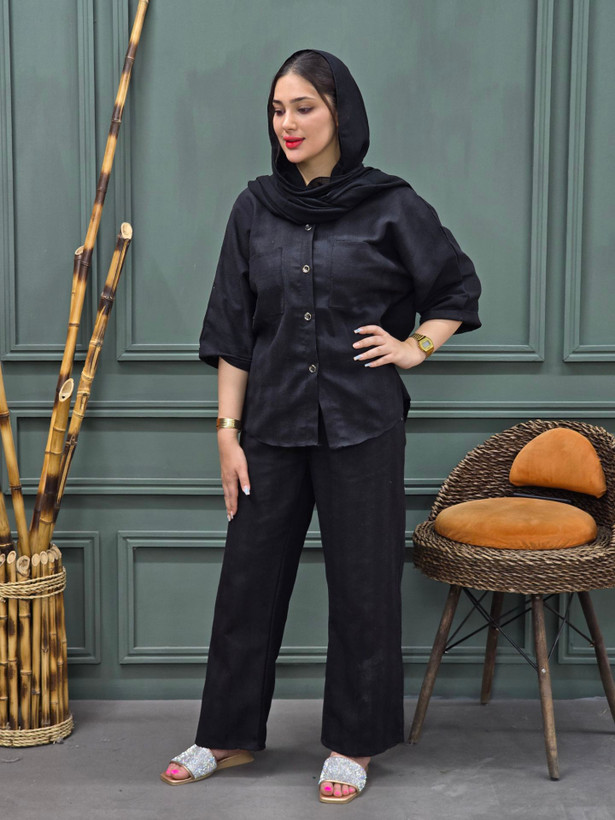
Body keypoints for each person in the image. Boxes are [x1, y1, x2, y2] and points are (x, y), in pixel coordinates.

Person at [161, 49, 481, 804]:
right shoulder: (253, 208)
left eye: (304, 106)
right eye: (277, 109)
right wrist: (226, 432)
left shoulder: (391, 205)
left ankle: (353, 743)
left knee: (364, 586)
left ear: (340, 112)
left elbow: (455, 288)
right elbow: (233, 328)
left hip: (362, 423)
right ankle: (226, 735)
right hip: (269, 426)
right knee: (247, 582)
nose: (288, 123)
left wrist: (414, 347)